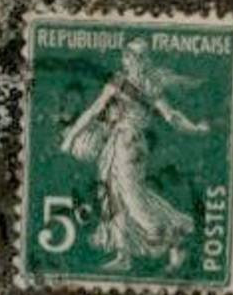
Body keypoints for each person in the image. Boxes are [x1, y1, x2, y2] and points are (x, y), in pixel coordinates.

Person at [59, 39, 210, 272]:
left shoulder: (136, 84)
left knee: (131, 197)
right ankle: (124, 254)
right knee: (114, 196)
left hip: (127, 145)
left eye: (130, 57)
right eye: (127, 57)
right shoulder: (143, 84)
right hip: (121, 144)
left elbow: (170, 116)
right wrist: (195, 128)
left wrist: (194, 128)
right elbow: (172, 117)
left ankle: (172, 236)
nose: (126, 60)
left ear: (135, 59)